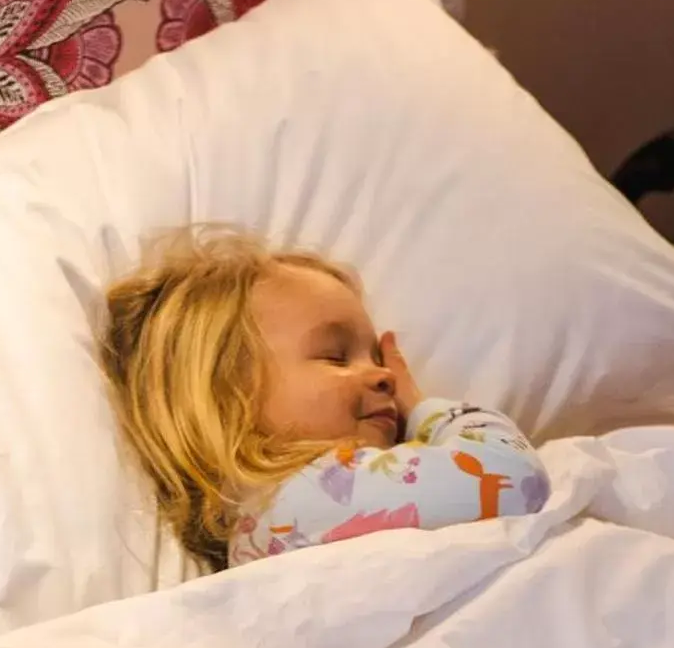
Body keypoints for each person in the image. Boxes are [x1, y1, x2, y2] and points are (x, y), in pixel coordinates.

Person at [101, 227, 550, 570]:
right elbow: (515, 478)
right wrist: (427, 410)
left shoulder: (264, 515)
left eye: (376, 355)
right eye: (336, 357)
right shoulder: (305, 495)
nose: (383, 375)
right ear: (225, 399)